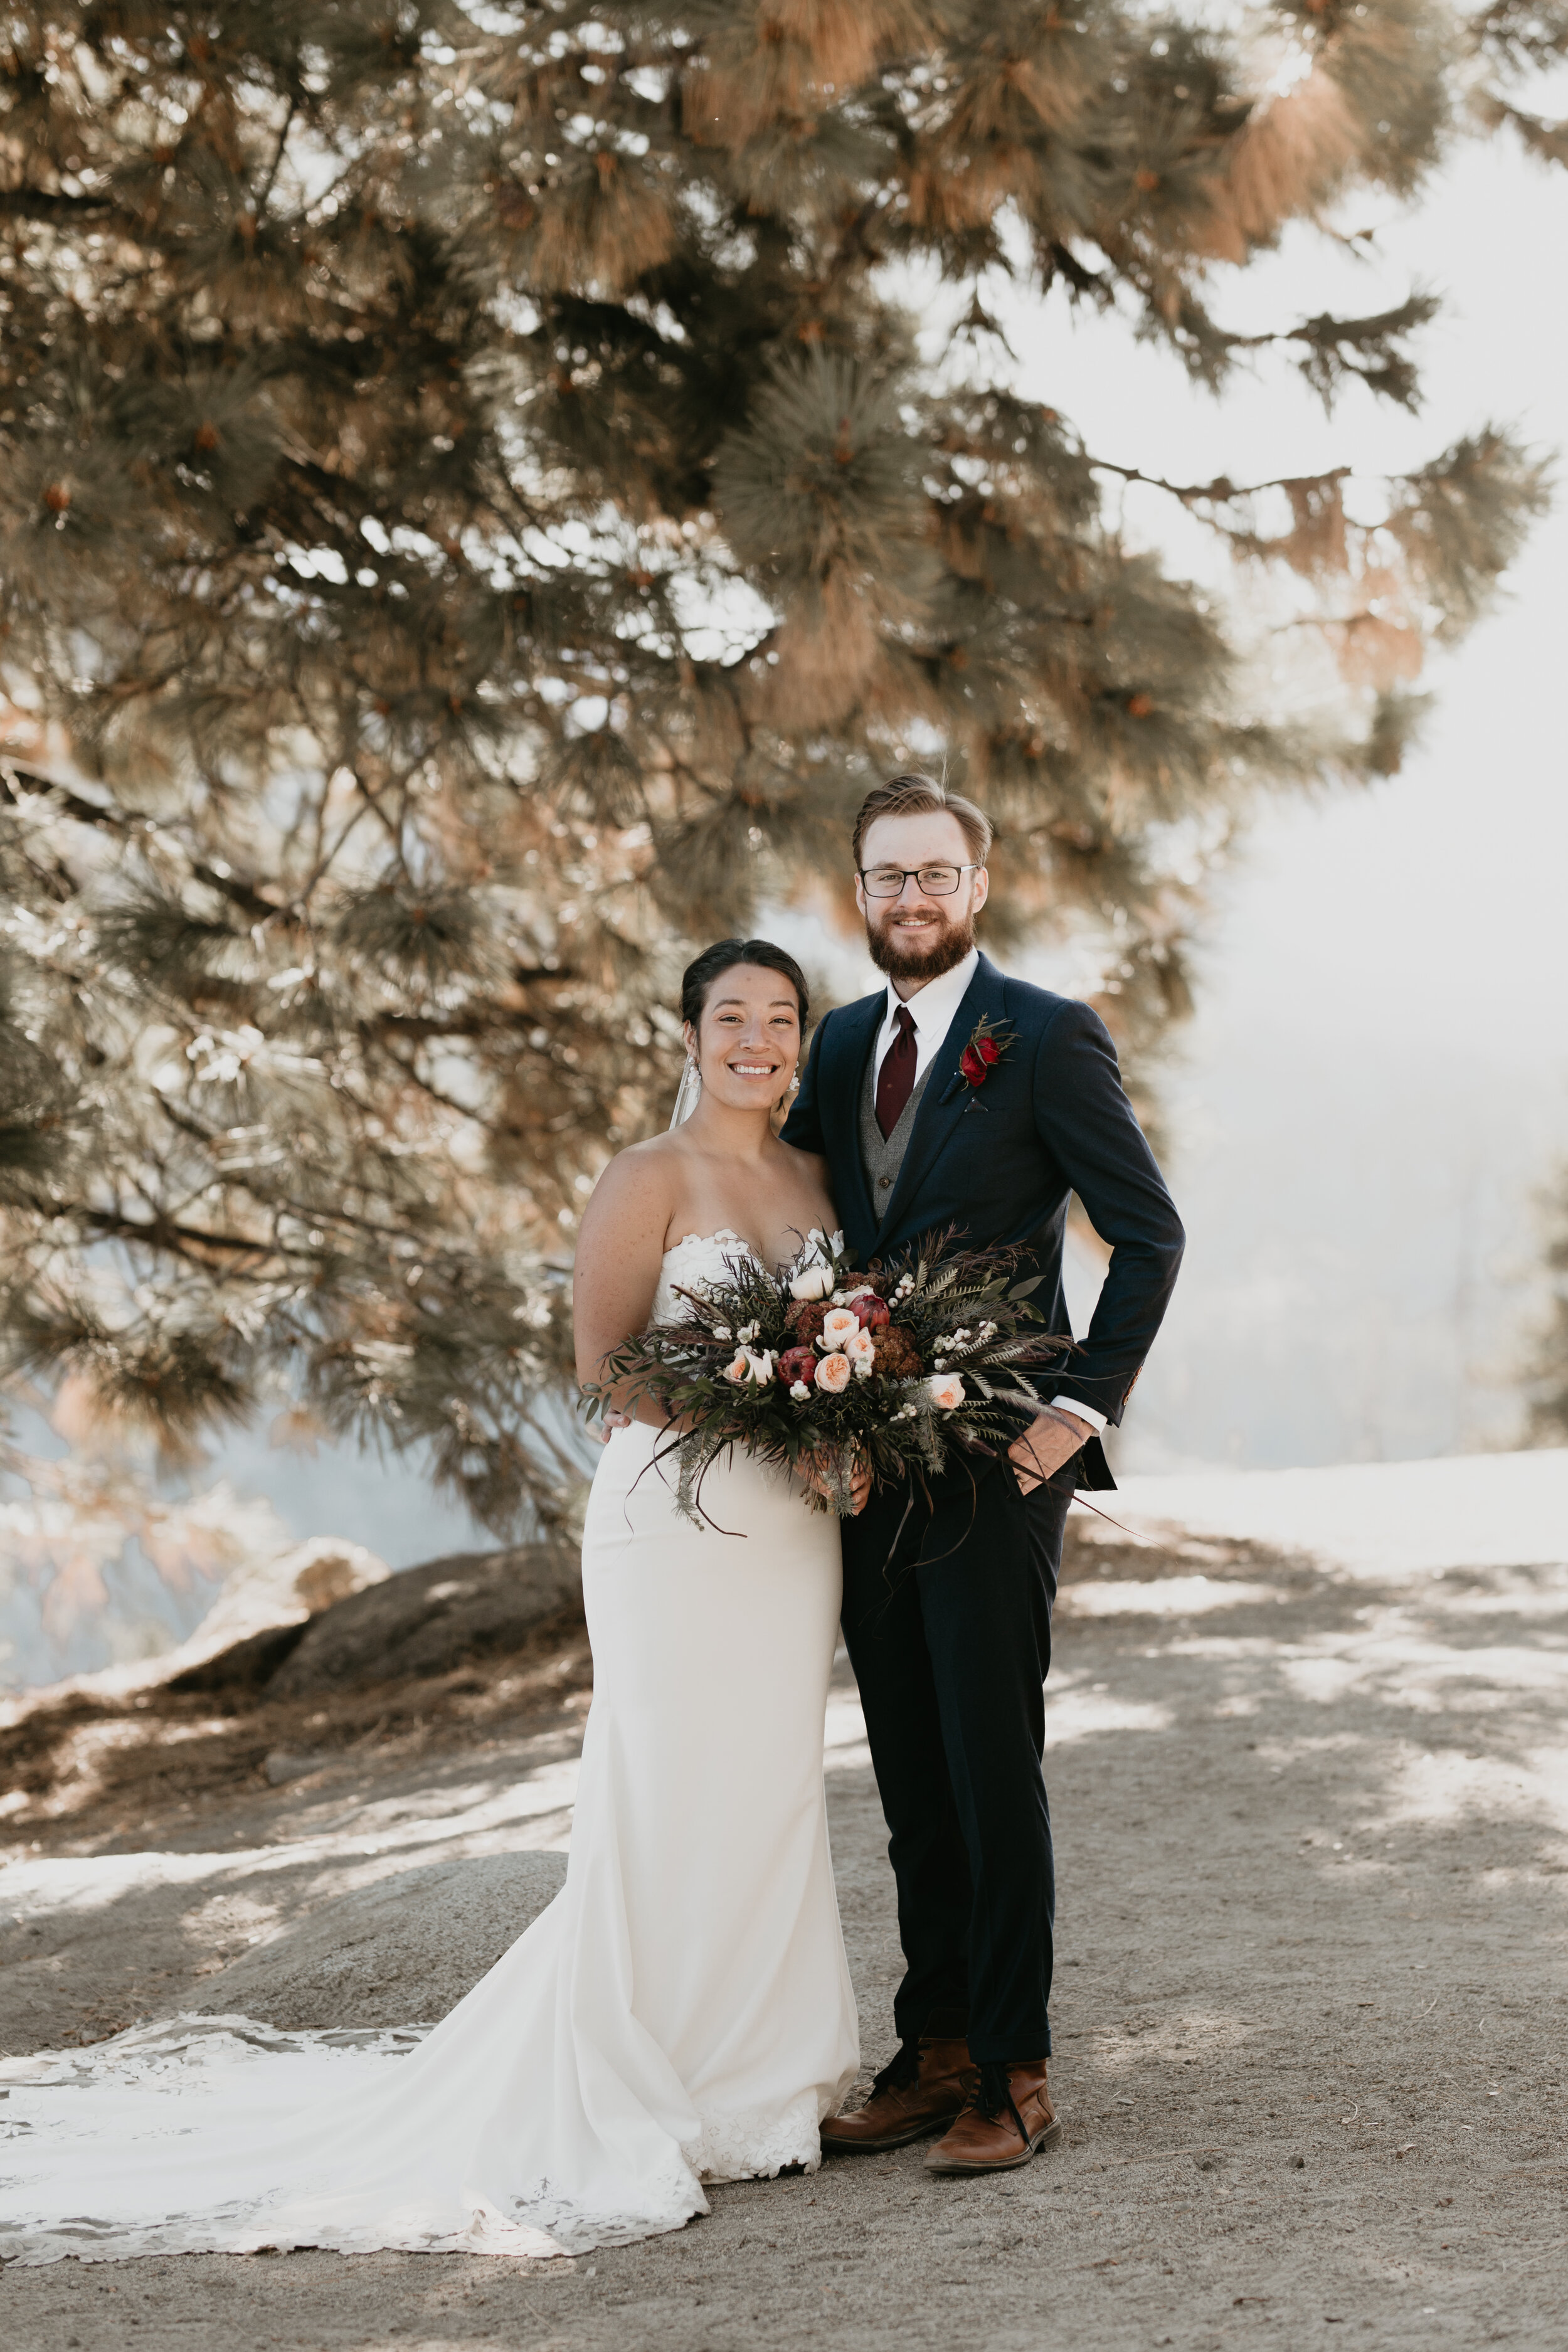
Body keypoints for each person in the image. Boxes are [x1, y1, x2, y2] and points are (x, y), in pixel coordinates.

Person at [0, 940, 862, 2264]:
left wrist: (832, 1422)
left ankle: (759, 2078)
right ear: (686, 1034)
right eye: (731, 1016)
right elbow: (605, 1362)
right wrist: (754, 1406)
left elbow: (837, 1337)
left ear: (799, 1038)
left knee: (769, 1783)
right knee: (664, 1784)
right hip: (671, 1523)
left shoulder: (809, 1176)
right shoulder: (647, 1175)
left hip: (789, 1533)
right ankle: (639, 2079)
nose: (758, 1038)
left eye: (780, 1017)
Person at [781, 771, 1184, 2176]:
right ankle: (935, 2040)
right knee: (903, 1761)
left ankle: (1014, 2067)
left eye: (932, 874)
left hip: (1001, 1455)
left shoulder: (1047, 1038)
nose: (908, 898)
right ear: (859, 894)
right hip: (865, 1462)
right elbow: (807, 1238)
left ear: (979, 885)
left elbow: (1148, 1236)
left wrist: (1075, 1416)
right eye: (885, 877)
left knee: (985, 1760)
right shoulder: (834, 1050)